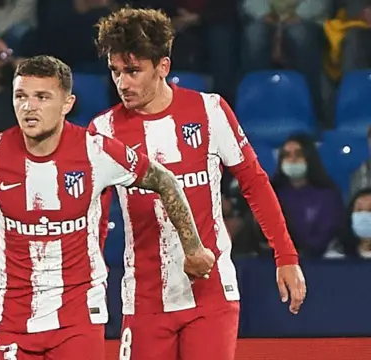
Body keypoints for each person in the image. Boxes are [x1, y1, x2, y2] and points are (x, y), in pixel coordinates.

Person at [0, 55, 215, 360]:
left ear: (67, 104)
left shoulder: (96, 151)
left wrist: (193, 248)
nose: (29, 106)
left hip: (78, 317)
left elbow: (164, 180)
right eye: (21, 96)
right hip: (12, 317)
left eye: (42, 97)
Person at [91, 7, 307, 360]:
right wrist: (92, 279)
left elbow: (254, 182)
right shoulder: (104, 131)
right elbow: (95, 218)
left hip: (212, 296)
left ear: (163, 66)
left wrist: (286, 255)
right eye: (115, 71)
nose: (122, 83)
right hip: (145, 299)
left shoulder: (210, 111)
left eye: (133, 71)